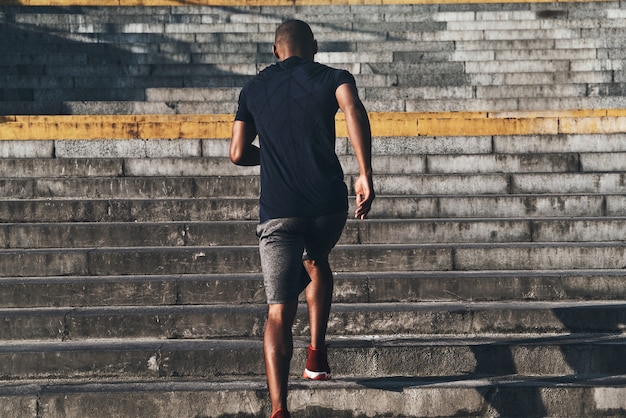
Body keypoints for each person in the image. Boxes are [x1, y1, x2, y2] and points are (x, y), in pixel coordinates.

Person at [230, 19, 374, 418]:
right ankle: (316, 354)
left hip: (279, 212)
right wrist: (365, 174)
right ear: (314, 46)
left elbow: (238, 152)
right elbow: (352, 108)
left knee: (278, 310)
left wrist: (275, 157)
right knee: (315, 260)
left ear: (275, 50)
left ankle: (279, 408)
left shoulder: (253, 88)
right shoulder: (334, 77)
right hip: (327, 204)